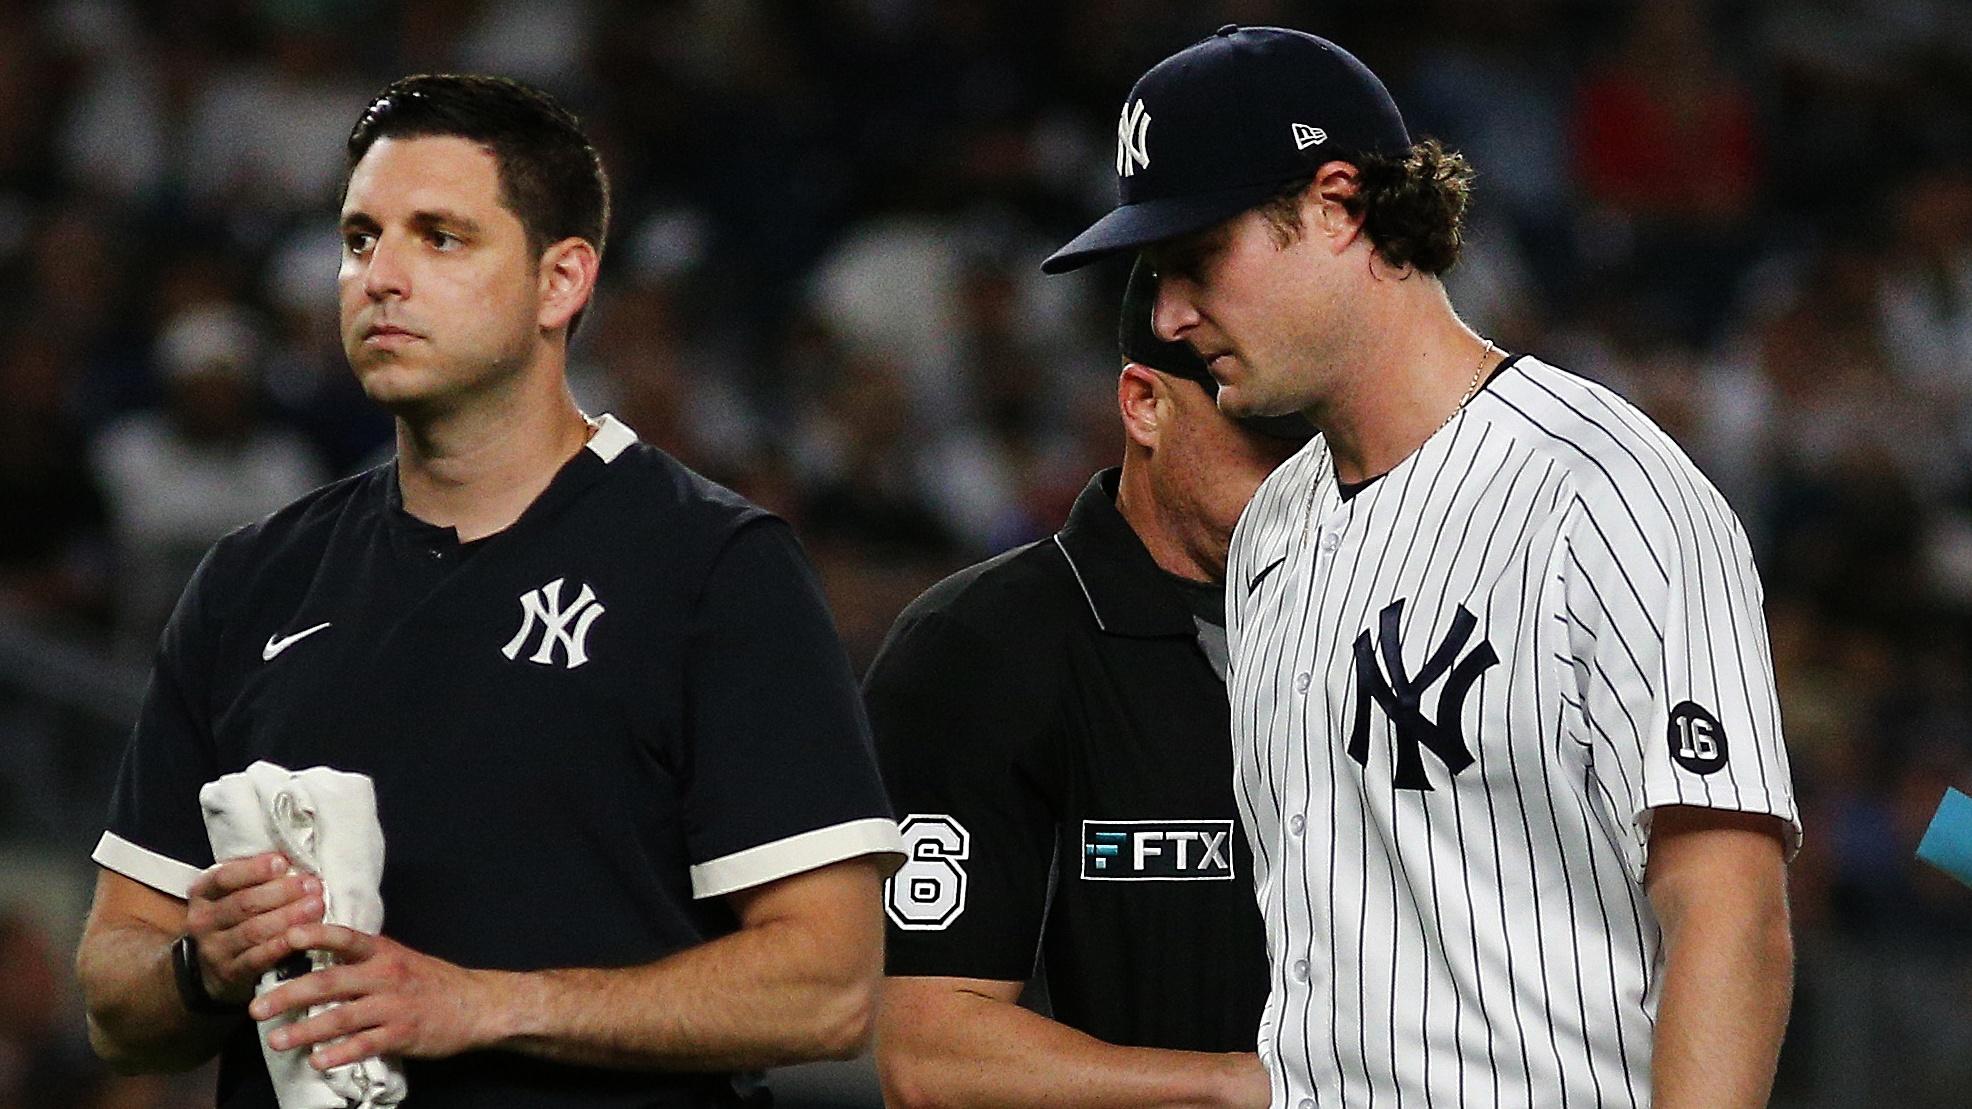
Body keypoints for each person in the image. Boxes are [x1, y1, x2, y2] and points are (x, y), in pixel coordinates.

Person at [75, 74, 902, 1109]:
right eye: (361, 237)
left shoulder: (711, 564)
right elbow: (116, 996)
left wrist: (483, 1003)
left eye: (441, 237)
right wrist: (200, 964)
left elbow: (827, 987)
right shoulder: (253, 578)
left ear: (561, 281)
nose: (382, 275)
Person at [1042, 26, 1799, 1109]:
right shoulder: (1270, 531)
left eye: (1196, 258)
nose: (1165, 313)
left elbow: (1731, 906)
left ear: (1339, 204)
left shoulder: (1601, 495)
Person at [866, 260, 1307, 1108]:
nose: (1300, 470)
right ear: (1145, 402)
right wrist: (1245, 1090)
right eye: (1263, 434)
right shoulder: (980, 648)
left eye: (1319, 435)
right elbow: (928, 1049)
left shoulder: (1382, 626)